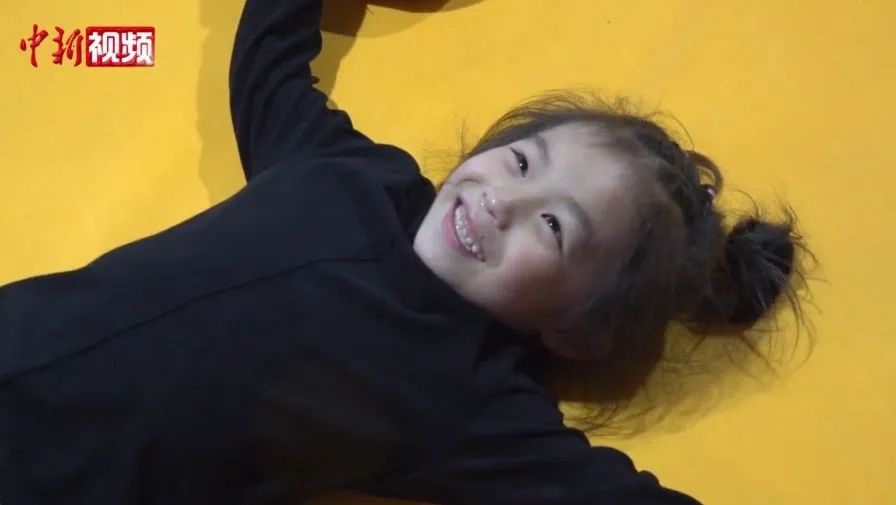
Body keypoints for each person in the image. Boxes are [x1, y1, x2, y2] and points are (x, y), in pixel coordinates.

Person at [0, 0, 808, 504]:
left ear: (580, 329)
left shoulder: (468, 397)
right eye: (522, 161)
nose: (502, 198)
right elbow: (270, 70)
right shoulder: (353, 171)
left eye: (554, 226)